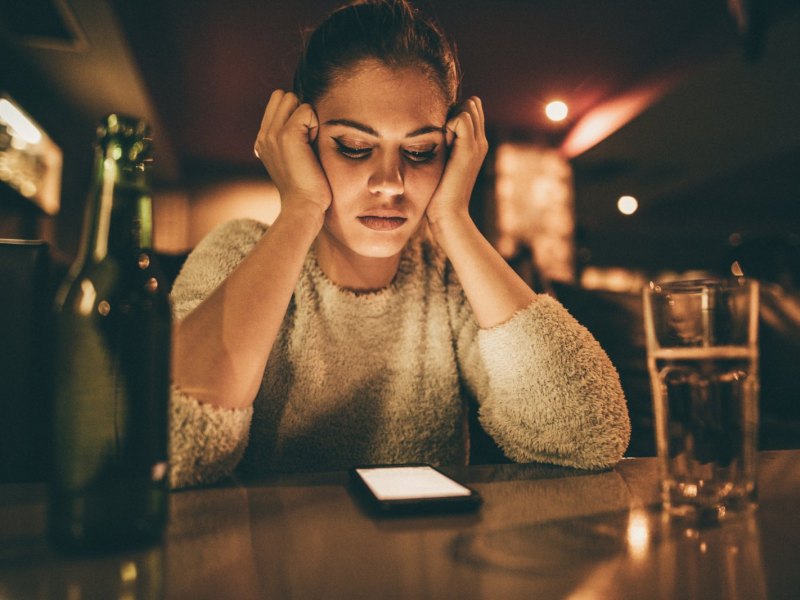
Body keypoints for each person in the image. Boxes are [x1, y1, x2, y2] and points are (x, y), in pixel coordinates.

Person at [168, 0, 630, 488]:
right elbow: (171, 446)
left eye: (419, 151)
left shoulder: (451, 280)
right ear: (301, 143)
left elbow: (589, 436)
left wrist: (452, 219)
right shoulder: (240, 249)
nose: (389, 182)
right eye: (354, 146)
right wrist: (300, 207)